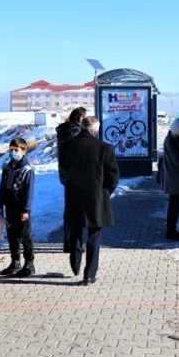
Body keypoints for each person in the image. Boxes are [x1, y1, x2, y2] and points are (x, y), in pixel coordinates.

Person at [59, 116, 120, 285]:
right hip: (96, 197)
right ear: (94, 130)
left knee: (75, 230)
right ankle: (89, 274)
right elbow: (113, 175)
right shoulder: (104, 148)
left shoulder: (67, 147)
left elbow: (63, 171)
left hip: (74, 195)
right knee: (94, 235)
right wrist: (106, 190)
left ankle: (75, 260)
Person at [0, 138, 36, 277]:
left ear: (23, 151)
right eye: (11, 149)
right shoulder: (7, 167)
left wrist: (26, 209)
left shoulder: (27, 169)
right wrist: (0, 202)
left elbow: (28, 191)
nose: (13, 152)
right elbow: (3, 186)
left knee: (25, 235)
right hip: (10, 206)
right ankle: (15, 261)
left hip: (21, 208)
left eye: (16, 150)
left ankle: (29, 263)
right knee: (12, 235)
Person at [56, 107, 86, 253]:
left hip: (65, 174)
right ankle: (73, 243)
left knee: (69, 209)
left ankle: (68, 242)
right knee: (77, 210)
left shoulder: (63, 131)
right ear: (80, 118)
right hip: (76, 175)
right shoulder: (75, 132)